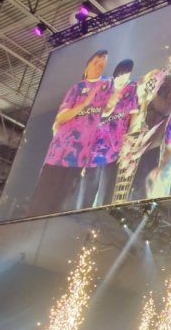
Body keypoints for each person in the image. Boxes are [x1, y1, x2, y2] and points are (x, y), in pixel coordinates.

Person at [29, 49, 111, 216]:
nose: (99, 66)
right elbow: (61, 118)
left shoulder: (107, 88)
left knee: (59, 208)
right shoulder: (77, 88)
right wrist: (85, 104)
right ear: (86, 67)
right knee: (40, 205)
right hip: (58, 156)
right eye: (96, 62)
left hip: (79, 161)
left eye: (103, 64)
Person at [83, 59, 140, 207]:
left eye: (127, 75)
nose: (124, 79)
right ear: (116, 74)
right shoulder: (104, 87)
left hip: (116, 149)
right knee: (86, 192)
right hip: (95, 148)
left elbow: (134, 116)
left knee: (106, 194)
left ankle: (100, 217)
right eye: (121, 75)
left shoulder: (132, 89)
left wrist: (130, 140)